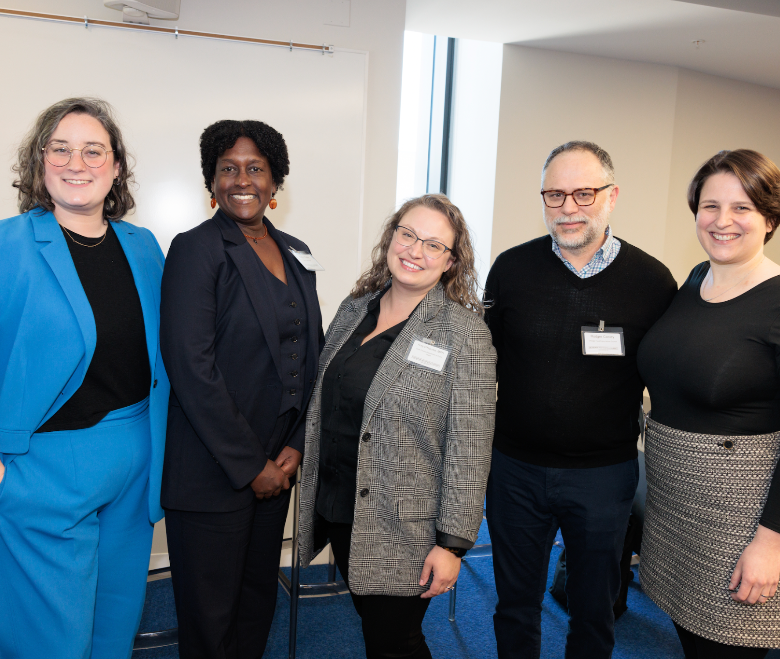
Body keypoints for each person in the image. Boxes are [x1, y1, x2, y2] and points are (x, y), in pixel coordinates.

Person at [483, 141, 677, 659]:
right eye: (554, 194)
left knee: (594, 607)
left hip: (603, 476)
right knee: (514, 602)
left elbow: (669, 375)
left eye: (583, 194)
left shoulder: (653, 281)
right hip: (515, 469)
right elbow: (482, 361)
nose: (568, 207)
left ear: (612, 197)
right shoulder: (511, 268)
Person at [0, 97, 169, 659]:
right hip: (43, 465)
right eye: (62, 149)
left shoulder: (142, 246)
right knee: (51, 637)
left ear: (116, 166)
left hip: (135, 455)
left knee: (113, 623)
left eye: (94, 150)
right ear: (39, 163)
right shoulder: (9, 245)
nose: (78, 163)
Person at [298, 194, 496, 658]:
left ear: (450, 262)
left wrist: (452, 544)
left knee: (395, 641)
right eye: (407, 234)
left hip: (407, 525)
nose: (415, 251)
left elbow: (470, 446)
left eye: (433, 245)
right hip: (344, 507)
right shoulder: (355, 309)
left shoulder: (463, 333)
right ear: (391, 237)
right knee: (378, 632)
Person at [160, 119, 324, 658]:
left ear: (275, 181)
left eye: (255, 168)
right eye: (227, 168)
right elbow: (191, 367)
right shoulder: (196, 250)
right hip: (214, 473)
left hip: (279, 466)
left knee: (257, 602)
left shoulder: (298, 252)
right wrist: (252, 467)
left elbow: (313, 359)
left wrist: (292, 451)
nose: (242, 179)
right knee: (210, 619)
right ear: (211, 181)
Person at [638, 149, 780, 658]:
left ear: (769, 217)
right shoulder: (696, 278)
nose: (722, 221)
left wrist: (771, 543)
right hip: (674, 504)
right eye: (710, 206)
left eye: (742, 208)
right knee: (691, 641)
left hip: (741, 520)